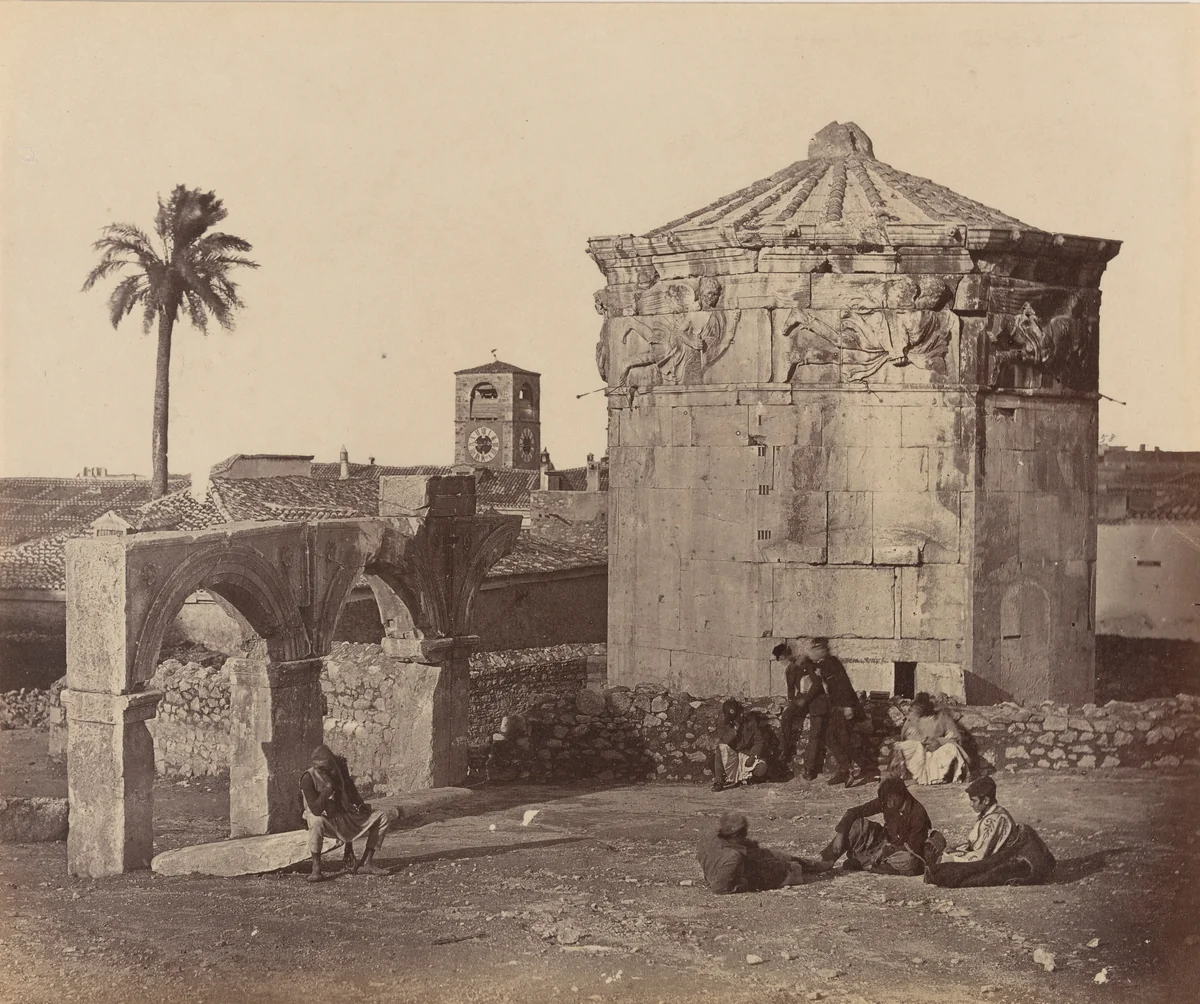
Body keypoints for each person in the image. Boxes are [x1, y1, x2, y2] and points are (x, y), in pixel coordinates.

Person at [923, 776, 1056, 887]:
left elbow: (981, 856)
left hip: (1004, 860)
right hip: (993, 856)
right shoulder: (989, 814)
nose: (971, 804)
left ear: (986, 800)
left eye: (973, 800)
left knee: (949, 872)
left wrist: (951, 857)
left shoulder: (995, 819)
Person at [300, 744, 398, 882]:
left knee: (382, 816)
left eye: (327, 766)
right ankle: (316, 869)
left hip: (343, 816)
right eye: (320, 768)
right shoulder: (308, 778)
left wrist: (360, 804)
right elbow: (315, 809)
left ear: (332, 761)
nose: (324, 770)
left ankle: (366, 863)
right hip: (324, 819)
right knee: (316, 821)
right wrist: (327, 790)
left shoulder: (338, 768)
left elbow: (350, 789)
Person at [818, 776, 932, 876]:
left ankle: (866, 864)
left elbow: (913, 847)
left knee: (909, 862)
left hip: (899, 850)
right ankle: (826, 860)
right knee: (857, 825)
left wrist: (883, 852)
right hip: (882, 842)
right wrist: (840, 834)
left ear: (901, 796)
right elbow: (855, 812)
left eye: (890, 800)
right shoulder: (887, 800)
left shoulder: (918, 814)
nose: (887, 804)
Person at [696, 811, 832, 894]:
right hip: (738, 874)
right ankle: (808, 868)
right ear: (738, 835)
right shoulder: (733, 857)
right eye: (744, 834)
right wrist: (743, 884)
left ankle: (813, 864)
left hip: (732, 866)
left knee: (772, 854)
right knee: (792, 870)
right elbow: (719, 889)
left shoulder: (710, 838)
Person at [809, 638, 867, 787]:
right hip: (837, 707)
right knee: (835, 737)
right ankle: (850, 769)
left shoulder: (832, 663)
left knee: (839, 738)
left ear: (822, 650)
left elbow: (844, 684)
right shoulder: (824, 664)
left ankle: (853, 768)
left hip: (843, 707)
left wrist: (848, 706)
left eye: (815, 649)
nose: (812, 652)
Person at [775, 640, 830, 780]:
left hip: (816, 699)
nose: (782, 660)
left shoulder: (806, 663)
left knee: (815, 733)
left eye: (782, 657)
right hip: (802, 699)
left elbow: (817, 685)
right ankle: (785, 747)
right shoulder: (789, 670)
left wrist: (805, 700)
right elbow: (790, 690)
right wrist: (792, 702)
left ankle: (809, 768)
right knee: (787, 715)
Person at [889, 693, 970, 785]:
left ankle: (938, 778)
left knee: (952, 748)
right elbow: (906, 735)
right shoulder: (913, 718)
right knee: (906, 747)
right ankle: (914, 777)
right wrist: (922, 741)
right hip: (918, 752)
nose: (917, 712)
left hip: (938, 751)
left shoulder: (941, 717)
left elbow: (955, 737)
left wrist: (939, 742)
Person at [710, 698, 770, 792]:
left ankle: (747, 779)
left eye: (740, 713)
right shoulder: (723, 724)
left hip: (746, 755)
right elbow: (724, 742)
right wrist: (735, 730)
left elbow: (759, 741)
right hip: (732, 756)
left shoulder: (750, 721)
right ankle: (719, 782)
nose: (740, 716)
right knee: (719, 750)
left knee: (761, 769)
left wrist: (753, 756)